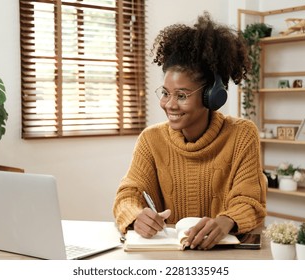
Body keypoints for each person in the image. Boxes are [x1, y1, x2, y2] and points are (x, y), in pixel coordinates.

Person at [113, 12, 267, 250]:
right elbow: (128, 194)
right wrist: (136, 215)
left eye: (182, 96)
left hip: (224, 258)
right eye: (165, 93)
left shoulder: (241, 135)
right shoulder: (151, 139)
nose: (170, 104)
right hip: (168, 258)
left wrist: (227, 221)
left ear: (212, 96)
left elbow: (249, 200)